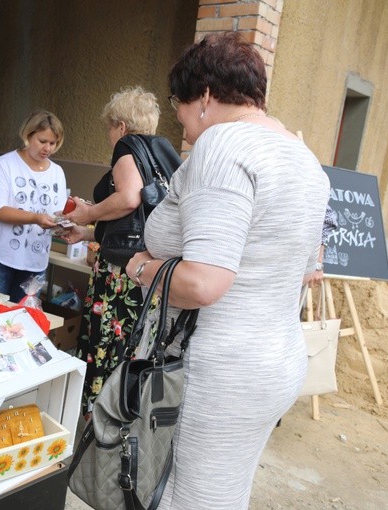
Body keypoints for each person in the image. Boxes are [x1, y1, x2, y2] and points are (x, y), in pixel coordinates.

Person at [125, 32, 330, 509]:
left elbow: (204, 281)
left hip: (219, 370)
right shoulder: (304, 158)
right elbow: (304, 271)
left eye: (178, 100)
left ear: (207, 96)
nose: (177, 114)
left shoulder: (224, 144)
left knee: (190, 499)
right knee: (224, 492)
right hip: (276, 361)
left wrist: (141, 267)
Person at [60, 86, 180, 416]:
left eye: (110, 127)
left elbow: (129, 198)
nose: (110, 135)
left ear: (121, 126)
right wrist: (87, 232)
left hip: (119, 275)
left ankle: (99, 415)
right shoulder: (162, 153)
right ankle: (123, 412)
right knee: (134, 345)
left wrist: (88, 212)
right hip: (148, 269)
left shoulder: (128, 147)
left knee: (107, 344)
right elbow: (133, 220)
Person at [0, 109, 67, 302]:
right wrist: (36, 218)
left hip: (35, 260)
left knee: (24, 319)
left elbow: (59, 212)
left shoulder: (57, 172)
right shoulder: (4, 164)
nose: (47, 148)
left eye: (53, 143)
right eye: (42, 141)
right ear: (27, 135)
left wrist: (66, 222)